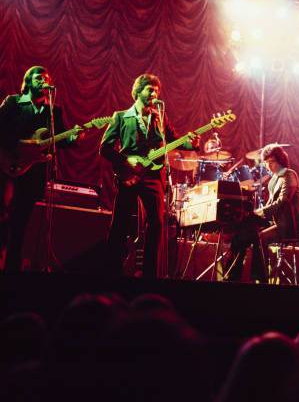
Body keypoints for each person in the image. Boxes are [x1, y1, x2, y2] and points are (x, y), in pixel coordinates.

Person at [99, 74, 199, 278]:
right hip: (129, 174)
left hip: (154, 175)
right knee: (120, 222)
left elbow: (175, 139)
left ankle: (150, 274)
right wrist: (125, 162)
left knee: (156, 223)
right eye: (149, 89)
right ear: (138, 91)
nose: (154, 93)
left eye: (156, 90)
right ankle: (111, 271)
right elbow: (105, 148)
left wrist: (192, 143)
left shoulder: (159, 117)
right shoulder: (120, 116)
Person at [0, 66, 82, 273]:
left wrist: (72, 137)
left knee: (21, 223)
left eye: (46, 77)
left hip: (34, 172)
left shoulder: (54, 110)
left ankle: (12, 270)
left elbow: (58, 138)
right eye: (39, 77)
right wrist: (21, 145)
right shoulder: (14, 103)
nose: (44, 80)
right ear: (28, 81)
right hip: (8, 165)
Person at [224, 144, 299, 283]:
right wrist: (257, 213)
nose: (268, 166)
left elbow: (282, 202)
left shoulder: (289, 174)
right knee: (243, 229)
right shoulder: (274, 179)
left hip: (287, 226)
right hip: (273, 222)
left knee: (255, 235)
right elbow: (271, 205)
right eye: (266, 163)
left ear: (281, 161)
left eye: (271, 162)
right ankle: (235, 275)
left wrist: (261, 211)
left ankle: (257, 278)